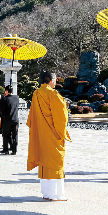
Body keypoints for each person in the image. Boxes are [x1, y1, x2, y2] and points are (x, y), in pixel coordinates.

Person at [27, 72, 71, 201]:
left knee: (44, 160)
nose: (56, 82)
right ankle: (56, 194)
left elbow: (32, 117)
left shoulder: (36, 93)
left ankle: (46, 193)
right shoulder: (53, 94)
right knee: (55, 162)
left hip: (41, 133)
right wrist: (62, 133)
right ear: (51, 80)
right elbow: (61, 116)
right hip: (53, 134)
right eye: (55, 79)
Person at [0, 86, 19, 155]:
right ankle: (14, 150)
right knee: (15, 135)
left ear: (6, 91)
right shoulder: (16, 98)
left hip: (7, 119)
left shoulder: (3, 99)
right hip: (15, 119)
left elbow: (0, 111)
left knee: (6, 134)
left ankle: (6, 149)